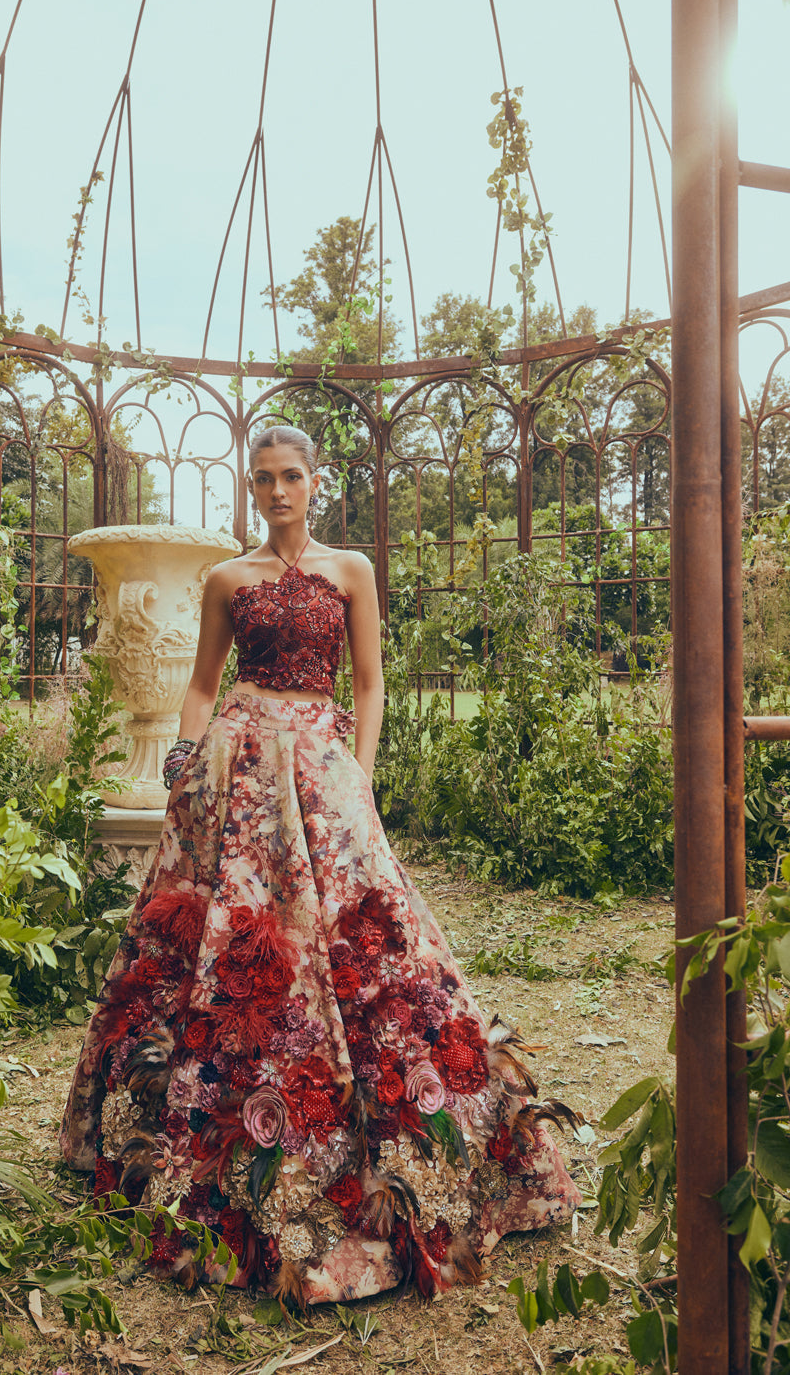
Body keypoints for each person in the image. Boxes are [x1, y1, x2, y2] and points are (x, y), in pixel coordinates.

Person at [60, 423, 581, 1306]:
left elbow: (369, 684)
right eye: (261, 478)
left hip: (323, 768)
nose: (276, 491)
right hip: (238, 767)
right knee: (233, 931)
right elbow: (199, 684)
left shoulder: (351, 572)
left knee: (365, 926)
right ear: (250, 487)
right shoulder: (228, 578)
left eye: (290, 476)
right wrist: (186, 763)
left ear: (317, 482)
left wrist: (360, 778)